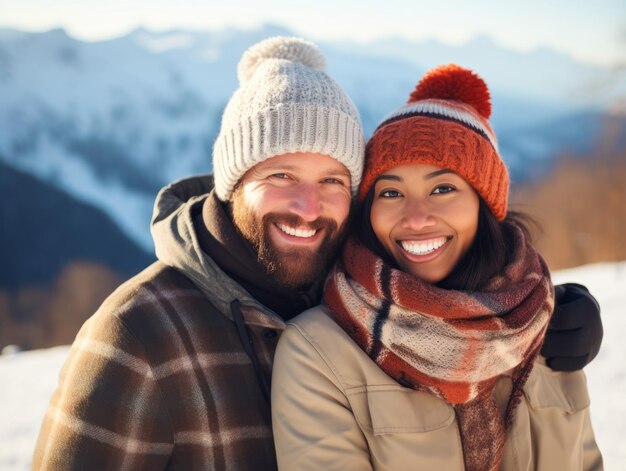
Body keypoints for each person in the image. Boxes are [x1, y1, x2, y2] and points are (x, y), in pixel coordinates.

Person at [31, 36, 600, 470]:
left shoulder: (368, 294)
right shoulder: (139, 334)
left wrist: (549, 307)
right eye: (281, 174)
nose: (308, 207)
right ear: (232, 183)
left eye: (333, 180)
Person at [271, 65, 603, 471]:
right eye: (391, 192)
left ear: (484, 205)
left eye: (443, 188)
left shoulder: (544, 323)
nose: (415, 218)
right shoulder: (318, 351)